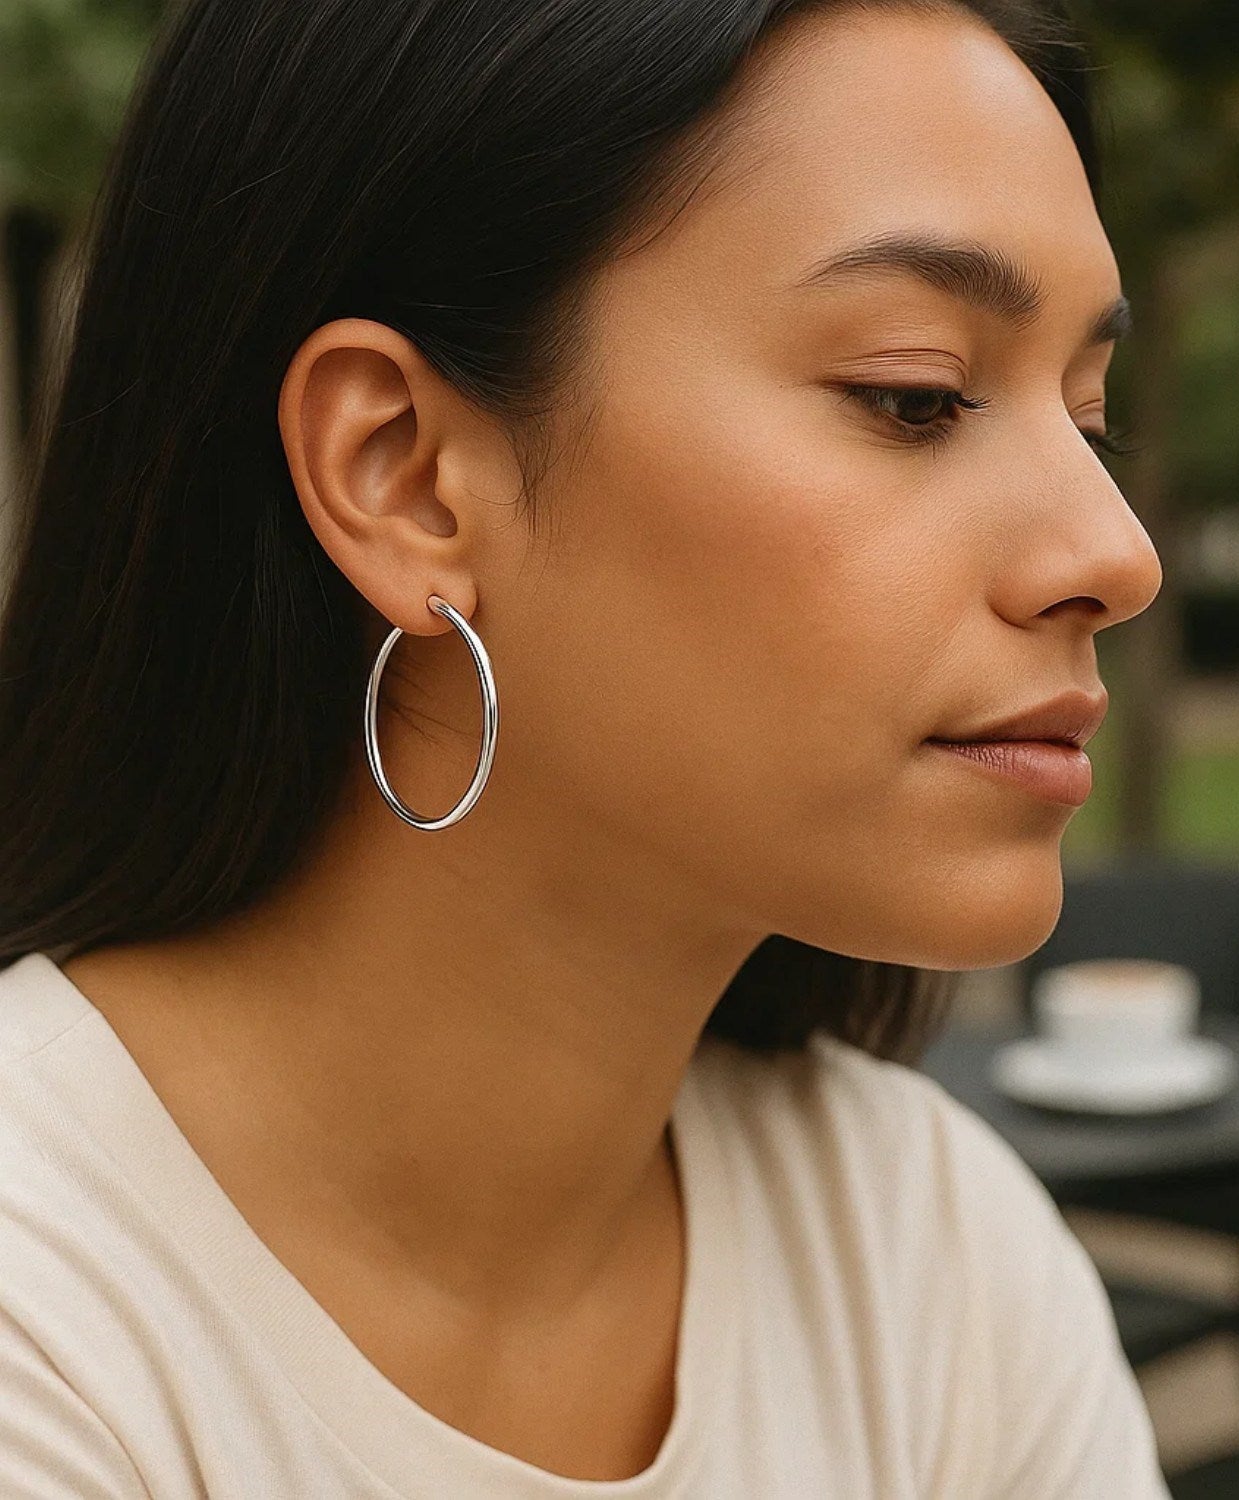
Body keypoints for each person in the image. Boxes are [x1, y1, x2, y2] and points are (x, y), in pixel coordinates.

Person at [0, 0, 1167, 1493]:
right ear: (405, 478)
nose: (1113, 552)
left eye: (1091, 416)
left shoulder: (927, 1260)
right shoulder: (54, 1328)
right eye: (916, 395)